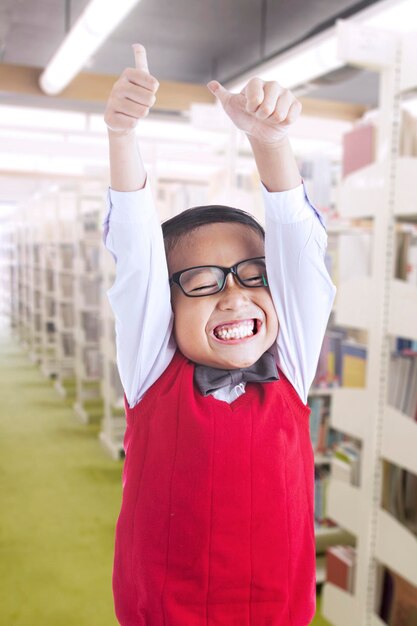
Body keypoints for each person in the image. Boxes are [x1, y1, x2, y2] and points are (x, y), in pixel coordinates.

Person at [103, 43, 336, 626]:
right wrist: (122, 138)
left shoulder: (292, 364)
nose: (236, 296)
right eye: (203, 282)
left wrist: (270, 142)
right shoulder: (150, 368)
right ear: (167, 305)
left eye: (254, 276)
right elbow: (135, 259)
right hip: (163, 611)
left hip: (276, 611)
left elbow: (301, 255)